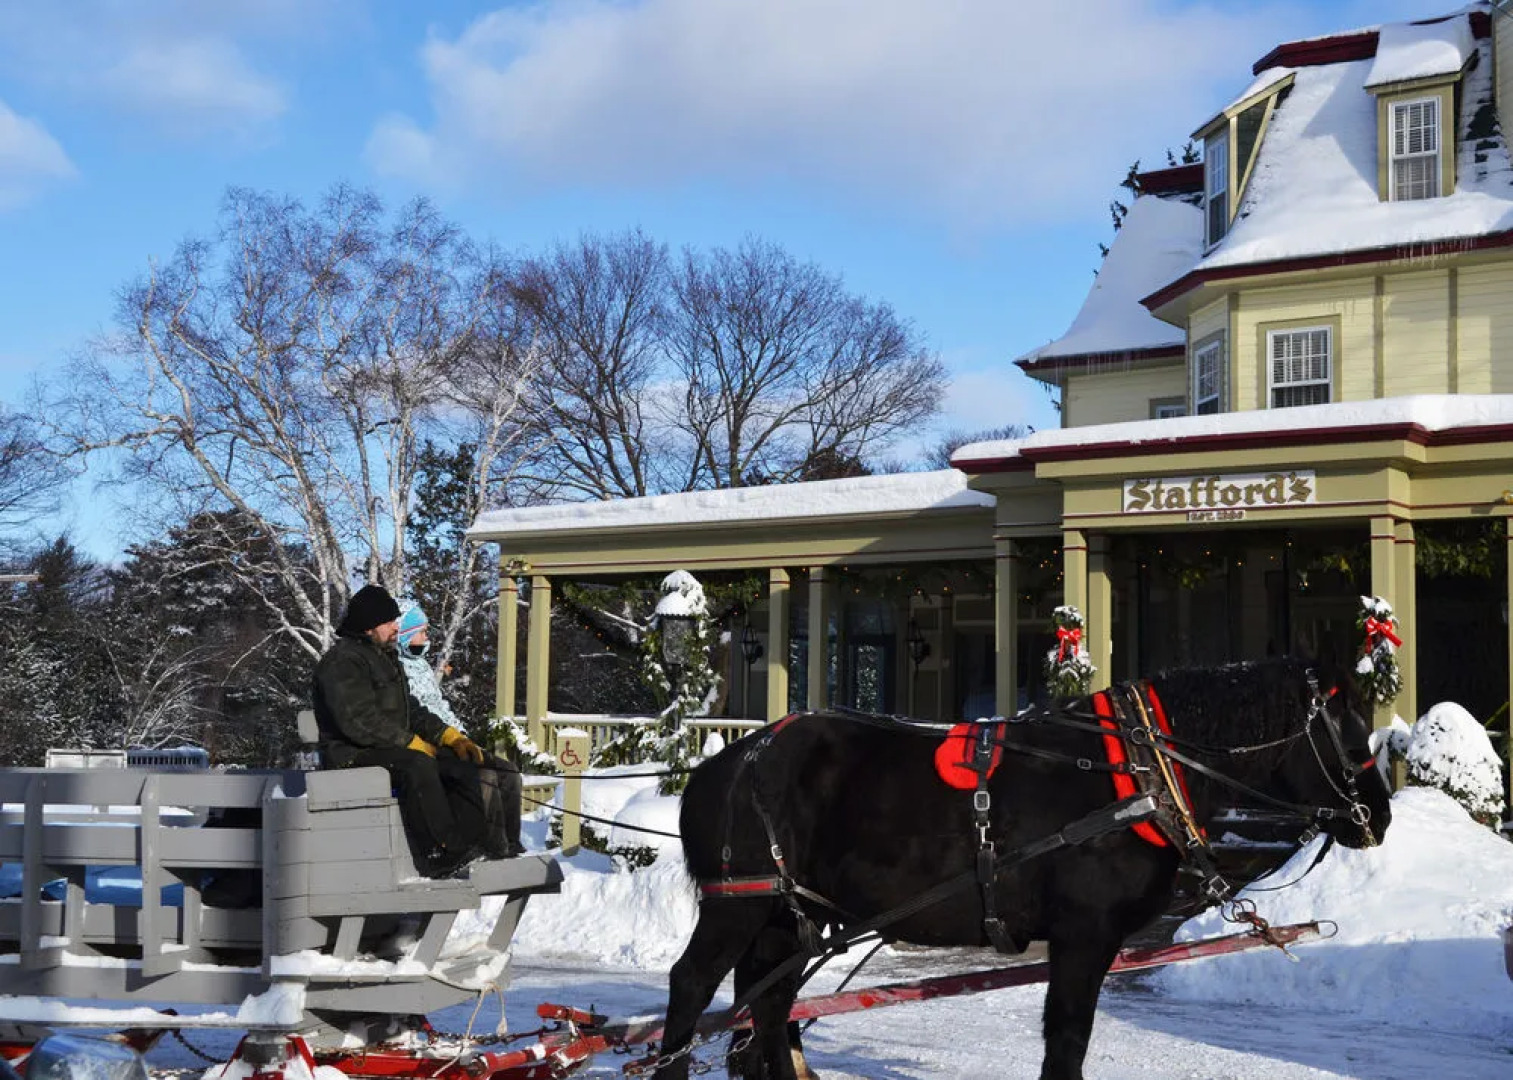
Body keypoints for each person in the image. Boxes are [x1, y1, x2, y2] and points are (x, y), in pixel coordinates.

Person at [311, 583, 488, 877]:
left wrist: (448, 736)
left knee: (457, 761)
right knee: (417, 764)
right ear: (369, 626)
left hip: (386, 748)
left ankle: (473, 845)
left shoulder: (385, 658)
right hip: (350, 754)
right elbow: (358, 720)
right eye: (389, 621)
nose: (396, 627)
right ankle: (440, 854)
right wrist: (409, 742)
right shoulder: (343, 662)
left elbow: (412, 710)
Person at [395, 599, 526, 858]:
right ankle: (493, 846)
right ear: (405, 635)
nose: (427, 637)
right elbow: (410, 714)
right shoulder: (395, 669)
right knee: (483, 777)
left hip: (452, 737)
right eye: (421, 632)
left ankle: (512, 844)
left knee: (508, 771)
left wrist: (459, 734)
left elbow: (438, 704)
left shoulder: (420, 665)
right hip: (430, 744)